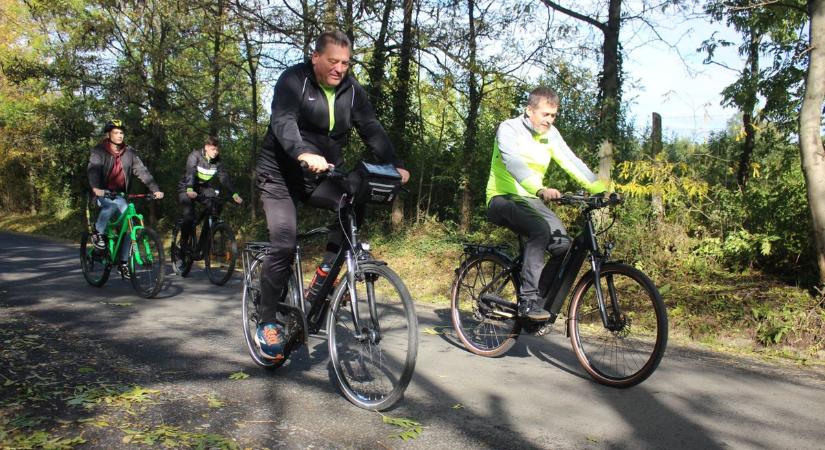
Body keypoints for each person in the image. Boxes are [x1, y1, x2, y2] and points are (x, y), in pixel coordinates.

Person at [254, 30, 409, 360]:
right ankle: (266, 321)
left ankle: (323, 281)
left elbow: (371, 127)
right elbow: (283, 121)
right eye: (333, 61)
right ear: (316, 58)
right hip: (281, 172)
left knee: (354, 201)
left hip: (321, 174)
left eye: (346, 63)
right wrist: (301, 152)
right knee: (284, 240)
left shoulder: (351, 91)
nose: (340, 68)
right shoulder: (293, 81)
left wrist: (395, 164)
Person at [485, 87, 607, 320]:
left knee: (564, 246)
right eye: (545, 114)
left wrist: (601, 190)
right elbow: (514, 163)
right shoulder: (509, 129)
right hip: (503, 197)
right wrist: (540, 189)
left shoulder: (551, 134)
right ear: (529, 110)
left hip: (530, 200)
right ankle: (527, 302)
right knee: (539, 230)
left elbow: (572, 162)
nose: (549, 120)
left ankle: (539, 301)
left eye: (553, 116)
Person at [87, 119, 164, 278]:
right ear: (109, 134)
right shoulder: (99, 151)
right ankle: (98, 233)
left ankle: (123, 263)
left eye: (121, 132)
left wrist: (155, 189)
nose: (120, 135)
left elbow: (143, 172)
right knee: (111, 207)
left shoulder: (129, 153)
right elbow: (93, 170)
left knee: (130, 227)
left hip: (120, 194)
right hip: (103, 192)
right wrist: (96, 189)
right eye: (116, 132)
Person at [177, 135, 243, 251]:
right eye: (213, 149)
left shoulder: (217, 161)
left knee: (216, 204)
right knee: (188, 216)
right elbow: (191, 173)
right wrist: (189, 189)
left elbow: (224, 178)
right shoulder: (195, 156)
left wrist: (235, 194)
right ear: (206, 147)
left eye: (217, 150)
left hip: (202, 187)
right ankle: (183, 244)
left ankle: (203, 242)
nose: (216, 152)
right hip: (187, 186)